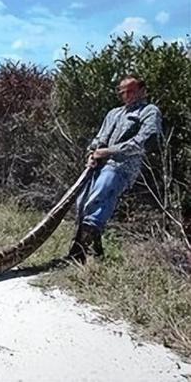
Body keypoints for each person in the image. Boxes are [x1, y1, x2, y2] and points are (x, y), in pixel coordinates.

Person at [68, 76, 163, 263]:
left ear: (143, 91)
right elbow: (99, 138)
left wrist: (109, 151)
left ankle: (77, 252)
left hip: (121, 167)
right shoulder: (113, 113)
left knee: (100, 195)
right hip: (98, 164)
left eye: (131, 91)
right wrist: (92, 153)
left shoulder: (149, 111)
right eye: (123, 92)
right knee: (82, 203)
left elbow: (146, 140)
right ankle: (96, 251)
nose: (127, 95)